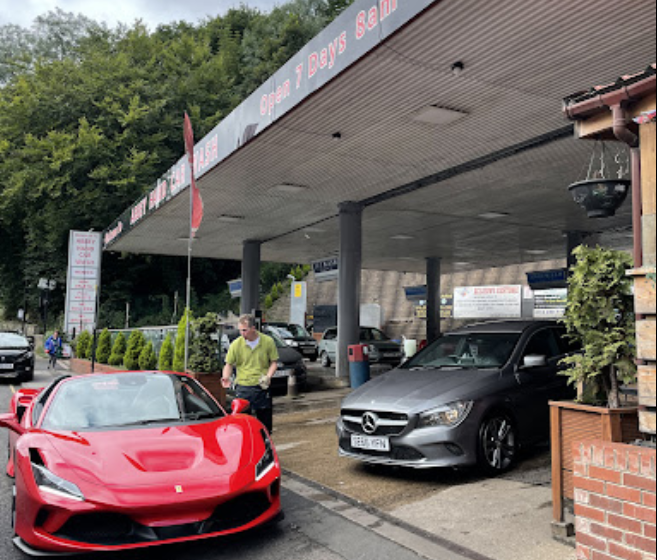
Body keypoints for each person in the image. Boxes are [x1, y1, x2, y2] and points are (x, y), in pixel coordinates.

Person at [222, 314, 278, 433]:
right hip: (243, 387)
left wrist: (268, 377)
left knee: (265, 425)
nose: (242, 333)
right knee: (243, 423)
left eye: (244, 330)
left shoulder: (268, 342)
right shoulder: (236, 344)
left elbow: (274, 362)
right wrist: (226, 377)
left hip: (261, 386)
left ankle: (265, 443)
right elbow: (229, 364)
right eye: (240, 330)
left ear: (253, 328)